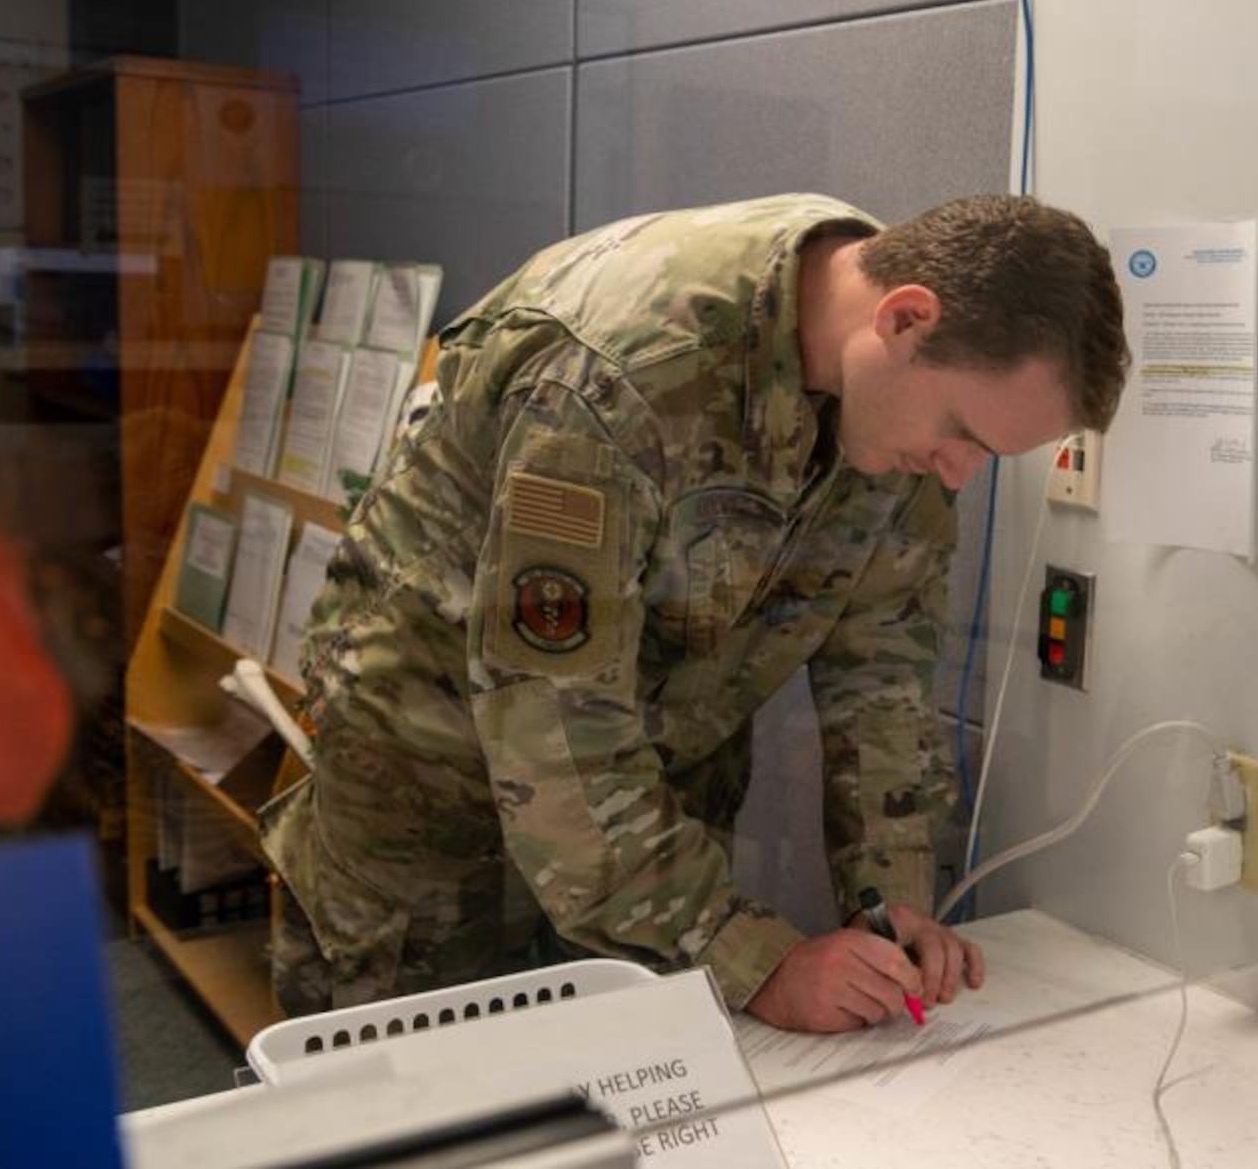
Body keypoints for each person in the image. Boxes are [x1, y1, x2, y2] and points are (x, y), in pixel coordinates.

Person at [262, 192, 1129, 1032]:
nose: (956, 473)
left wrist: (889, 900)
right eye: (963, 432)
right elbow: (550, 724)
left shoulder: (896, 400)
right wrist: (754, 958)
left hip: (644, 812)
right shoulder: (621, 376)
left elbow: (882, 672)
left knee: (627, 1108)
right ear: (904, 319)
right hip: (437, 794)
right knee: (417, 1114)